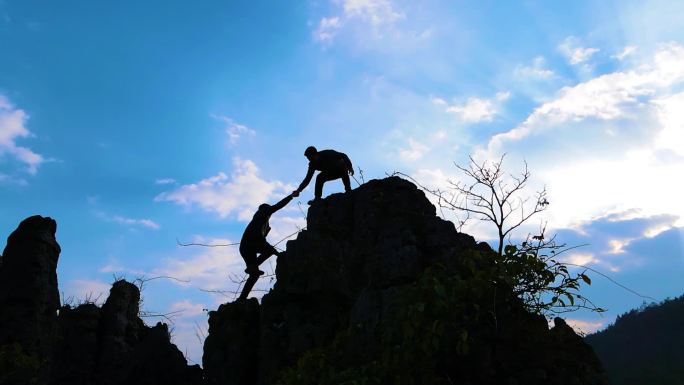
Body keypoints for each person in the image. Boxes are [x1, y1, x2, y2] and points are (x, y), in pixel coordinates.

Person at [239, 192, 296, 277]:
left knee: (254, 273)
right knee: (269, 251)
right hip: (249, 245)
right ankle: (252, 267)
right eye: (269, 209)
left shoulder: (262, 223)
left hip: (246, 247)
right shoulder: (262, 213)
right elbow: (277, 206)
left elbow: (262, 241)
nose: (270, 212)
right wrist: (291, 196)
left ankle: (251, 270)